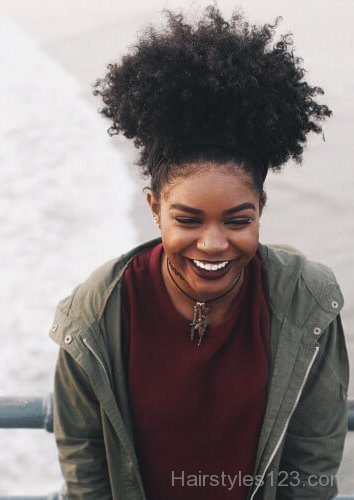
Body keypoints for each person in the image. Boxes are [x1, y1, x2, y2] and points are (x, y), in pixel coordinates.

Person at [50, 6, 349, 499]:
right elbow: (85, 465)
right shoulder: (95, 314)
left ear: (261, 209)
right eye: (187, 220)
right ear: (154, 208)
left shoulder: (306, 301)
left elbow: (312, 464)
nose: (213, 244)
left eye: (238, 220)